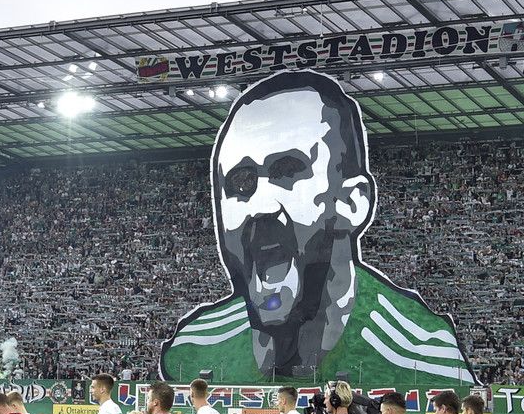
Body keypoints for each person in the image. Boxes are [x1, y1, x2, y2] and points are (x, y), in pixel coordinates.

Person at [160, 70, 476, 386]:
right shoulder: (192, 347)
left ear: (352, 202)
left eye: (287, 171)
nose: (260, 205)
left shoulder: (424, 356)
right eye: (240, 183)